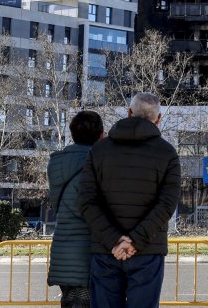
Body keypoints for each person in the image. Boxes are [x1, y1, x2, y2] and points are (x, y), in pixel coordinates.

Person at [77, 92, 181, 308]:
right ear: (158, 118)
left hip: (106, 250)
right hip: (148, 250)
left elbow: (87, 201)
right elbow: (167, 204)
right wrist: (134, 240)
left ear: (129, 112)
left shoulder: (99, 150)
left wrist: (115, 240)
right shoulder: (167, 153)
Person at [46, 110, 105, 308]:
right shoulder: (97, 163)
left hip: (62, 249)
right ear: (101, 135)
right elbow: (89, 210)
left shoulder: (56, 164)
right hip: (87, 253)